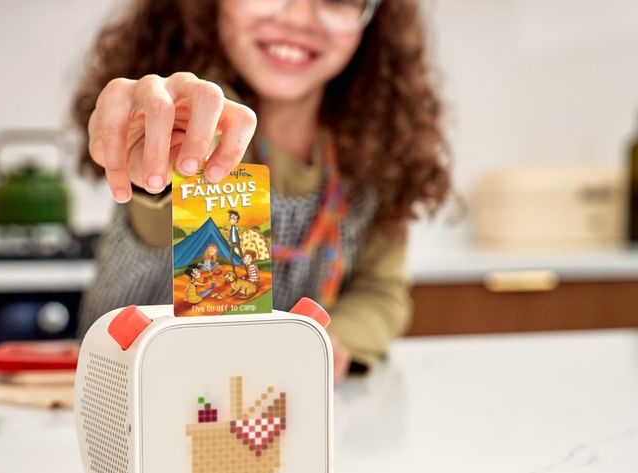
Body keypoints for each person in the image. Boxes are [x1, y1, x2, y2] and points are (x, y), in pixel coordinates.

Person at [74, 0, 451, 380]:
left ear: (374, 18)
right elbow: (157, 205)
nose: (298, 18)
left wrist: (330, 342)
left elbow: (381, 293)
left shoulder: (376, 153)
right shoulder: (188, 121)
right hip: (137, 396)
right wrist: (154, 157)